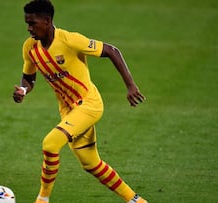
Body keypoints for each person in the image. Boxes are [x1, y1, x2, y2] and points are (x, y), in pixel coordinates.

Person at [13, 0, 147, 202]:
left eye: (33, 23)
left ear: (47, 21)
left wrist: (130, 86)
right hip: (68, 111)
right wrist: (23, 89)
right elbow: (29, 78)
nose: (29, 28)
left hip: (89, 104)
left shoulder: (69, 40)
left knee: (50, 144)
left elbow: (112, 51)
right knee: (91, 163)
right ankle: (136, 200)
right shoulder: (30, 48)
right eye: (27, 23)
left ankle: (42, 200)